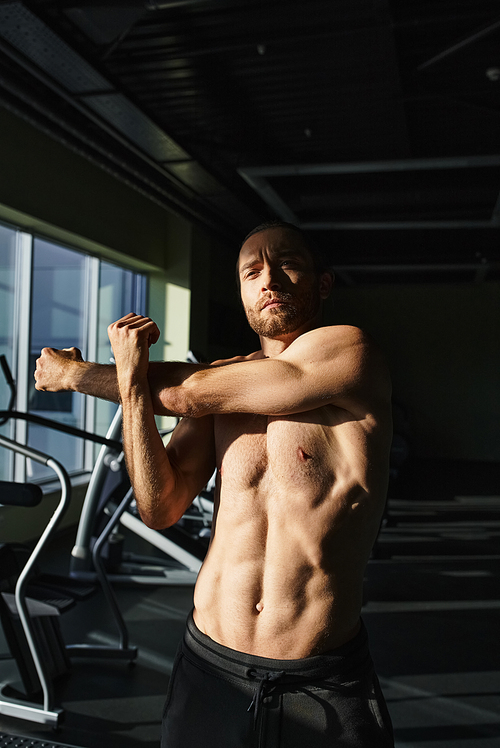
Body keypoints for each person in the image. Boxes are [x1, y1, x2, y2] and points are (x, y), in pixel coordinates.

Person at [35, 221, 394, 747]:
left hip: (318, 679)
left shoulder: (349, 353)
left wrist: (75, 375)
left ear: (322, 283)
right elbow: (161, 507)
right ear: (243, 292)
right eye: (252, 272)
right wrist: (132, 383)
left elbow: (185, 393)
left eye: (286, 263)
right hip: (209, 665)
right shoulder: (222, 386)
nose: (268, 279)